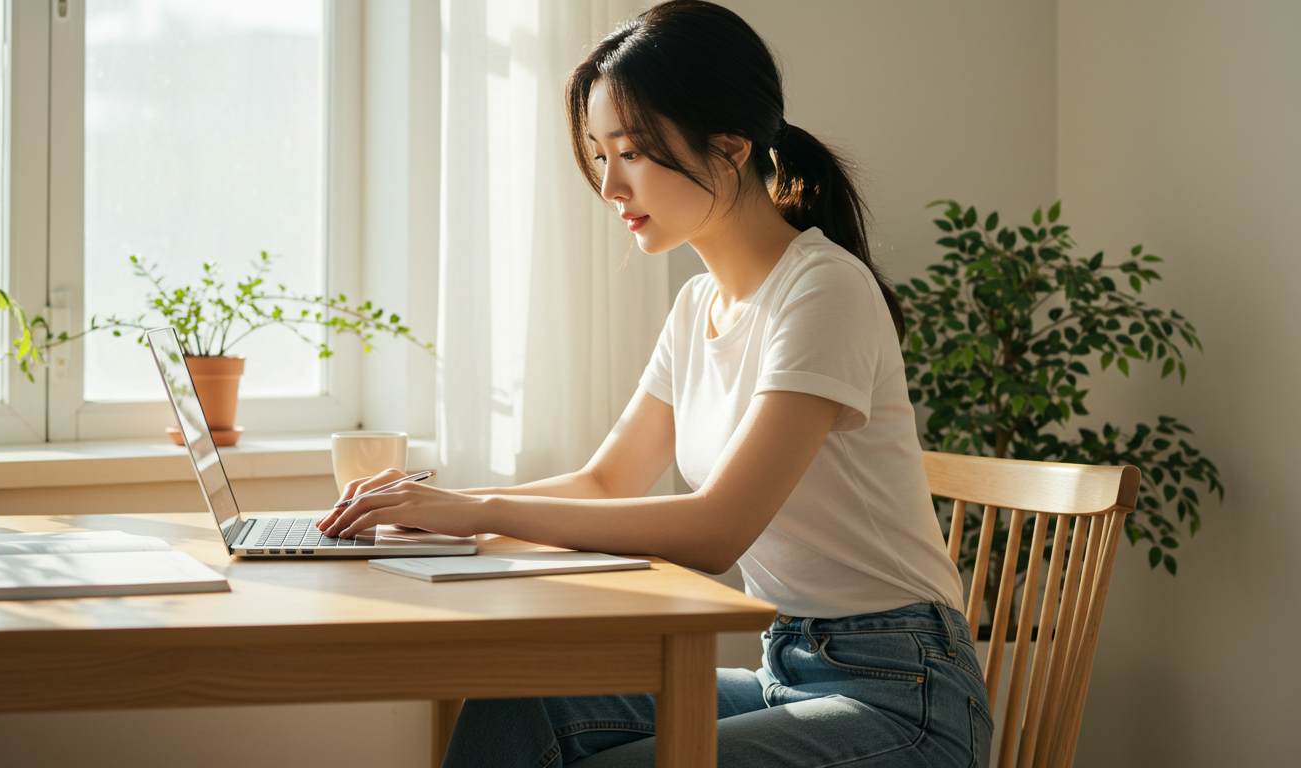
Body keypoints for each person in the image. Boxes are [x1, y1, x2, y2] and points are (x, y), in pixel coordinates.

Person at [316, 1, 991, 765]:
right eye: (601, 155)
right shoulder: (697, 303)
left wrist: (472, 511)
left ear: (730, 147)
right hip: (786, 672)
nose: (609, 186)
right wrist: (437, 519)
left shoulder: (823, 289)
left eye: (631, 152)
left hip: (904, 696)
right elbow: (608, 481)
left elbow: (715, 529)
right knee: (521, 698)